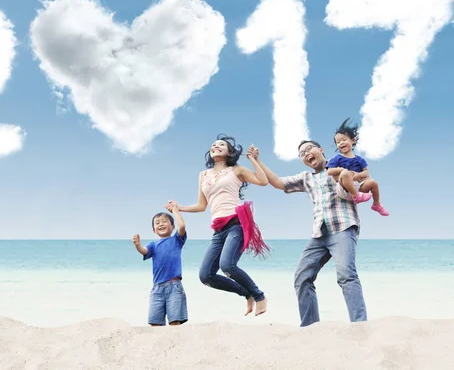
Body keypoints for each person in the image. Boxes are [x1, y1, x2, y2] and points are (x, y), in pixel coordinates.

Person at [248, 141, 367, 327]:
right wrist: (257, 161)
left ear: (320, 149)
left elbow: (361, 181)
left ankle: (360, 325)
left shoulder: (340, 166)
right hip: (319, 233)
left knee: (346, 274)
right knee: (302, 277)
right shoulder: (306, 178)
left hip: (343, 226)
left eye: (308, 149)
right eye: (302, 153)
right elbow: (279, 183)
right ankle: (310, 327)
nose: (306, 154)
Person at [166, 133, 270, 317]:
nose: (216, 146)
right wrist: (178, 207)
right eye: (213, 145)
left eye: (221, 144)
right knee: (206, 275)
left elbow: (262, 181)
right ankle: (246, 293)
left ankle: (259, 296)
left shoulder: (236, 170)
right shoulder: (203, 175)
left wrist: (254, 160)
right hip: (218, 229)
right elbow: (201, 205)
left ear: (230, 152)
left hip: (236, 223)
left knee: (228, 265)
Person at [132, 204, 188, 326]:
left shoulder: (176, 240)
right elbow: (144, 251)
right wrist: (137, 245)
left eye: (164, 221)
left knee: (174, 322)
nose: (161, 224)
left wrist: (175, 211)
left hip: (174, 287)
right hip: (157, 288)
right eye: (157, 223)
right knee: (155, 323)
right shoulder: (153, 244)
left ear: (173, 227)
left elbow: (182, 226)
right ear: (154, 230)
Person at [327, 118, 389, 216]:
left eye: (344, 139)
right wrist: (342, 169)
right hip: (344, 189)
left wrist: (358, 175)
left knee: (373, 182)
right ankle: (356, 196)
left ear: (352, 140)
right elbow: (329, 171)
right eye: (338, 142)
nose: (341, 143)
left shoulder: (359, 159)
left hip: (358, 187)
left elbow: (366, 172)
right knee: (345, 173)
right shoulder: (337, 158)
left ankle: (376, 204)